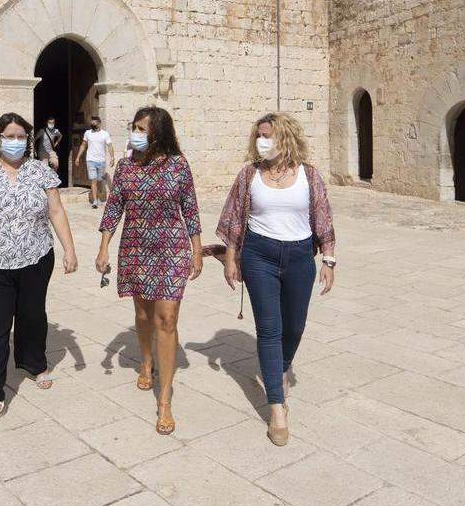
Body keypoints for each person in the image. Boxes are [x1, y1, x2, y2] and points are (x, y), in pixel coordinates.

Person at [216, 112, 336, 446]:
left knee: (294, 326)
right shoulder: (248, 176)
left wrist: (328, 258)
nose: (261, 141)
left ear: (285, 137)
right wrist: (230, 259)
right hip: (259, 256)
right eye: (258, 135)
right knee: (269, 329)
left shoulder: (309, 176)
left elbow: (322, 216)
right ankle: (277, 407)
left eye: (267, 135)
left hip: (299, 257)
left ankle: (280, 369)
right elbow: (234, 220)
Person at [0, 112, 78, 432]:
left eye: (21, 136)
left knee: (33, 315)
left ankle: (33, 363)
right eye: (9, 136)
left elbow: (56, 211)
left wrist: (70, 249)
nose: (15, 142)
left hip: (36, 258)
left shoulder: (41, 172)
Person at [96, 107, 202, 435]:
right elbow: (114, 207)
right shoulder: (126, 167)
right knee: (143, 317)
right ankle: (145, 360)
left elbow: (191, 209)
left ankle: (165, 400)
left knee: (167, 320)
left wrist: (197, 250)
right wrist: (103, 246)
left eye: (141, 128)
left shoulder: (179, 166)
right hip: (136, 248)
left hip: (172, 248)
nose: (135, 133)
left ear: (158, 132)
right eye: (134, 127)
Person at [75, 116, 114, 208]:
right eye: (91, 124)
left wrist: (112, 157)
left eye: (94, 124)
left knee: (100, 180)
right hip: (90, 160)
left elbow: (109, 146)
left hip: (101, 160)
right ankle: (95, 201)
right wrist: (78, 157)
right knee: (94, 180)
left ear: (99, 123)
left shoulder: (105, 134)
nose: (92, 125)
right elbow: (83, 145)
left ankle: (99, 197)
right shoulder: (88, 133)